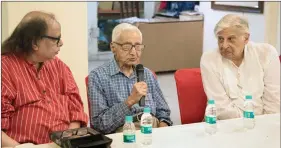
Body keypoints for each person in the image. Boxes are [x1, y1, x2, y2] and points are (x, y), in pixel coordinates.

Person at [1, 11, 88, 146]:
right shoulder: (5, 68)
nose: (61, 43)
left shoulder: (59, 66)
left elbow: (76, 111)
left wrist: (68, 139)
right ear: (34, 42)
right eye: (56, 39)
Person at [88, 23, 172, 134]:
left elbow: (164, 112)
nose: (133, 53)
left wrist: (162, 133)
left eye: (138, 47)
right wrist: (130, 101)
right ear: (113, 47)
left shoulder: (146, 74)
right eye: (127, 47)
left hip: (153, 127)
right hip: (124, 131)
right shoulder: (98, 77)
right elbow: (99, 125)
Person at [200, 14, 280, 120]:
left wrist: (263, 127)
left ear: (246, 38)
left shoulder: (266, 54)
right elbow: (222, 109)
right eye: (220, 39)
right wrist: (248, 123)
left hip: (263, 125)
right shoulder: (209, 59)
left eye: (231, 39)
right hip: (225, 125)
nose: (224, 45)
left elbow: (274, 103)